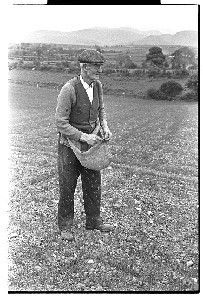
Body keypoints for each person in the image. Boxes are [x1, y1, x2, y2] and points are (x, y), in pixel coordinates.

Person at [55, 49, 114, 241]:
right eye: (96, 67)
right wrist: (83, 137)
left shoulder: (97, 86)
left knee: (93, 183)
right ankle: (65, 226)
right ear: (84, 67)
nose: (99, 71)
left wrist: (104, 126)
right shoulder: (69, 89)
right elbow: (61, 123)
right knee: (67, 185)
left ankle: (93, 221)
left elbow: (101, 109)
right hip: (69, 146)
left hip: (91, 146)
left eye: (100, 67)